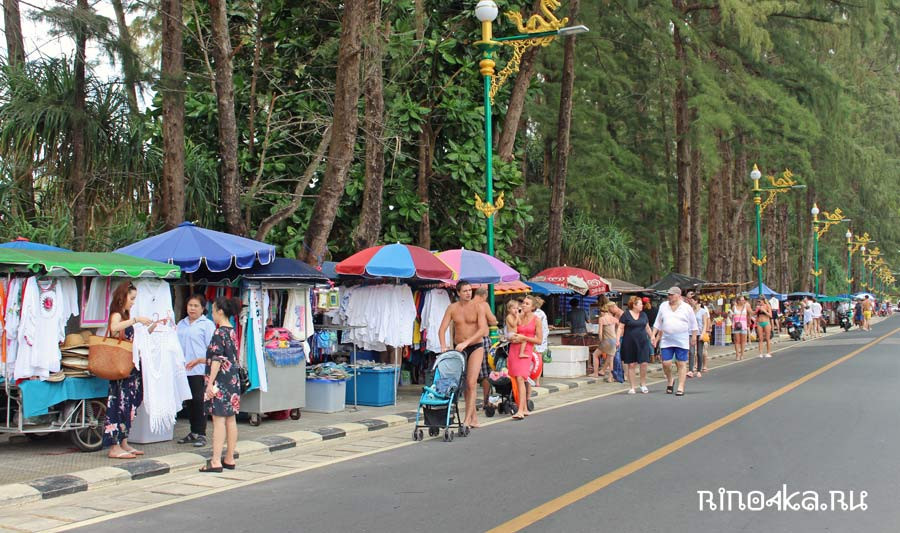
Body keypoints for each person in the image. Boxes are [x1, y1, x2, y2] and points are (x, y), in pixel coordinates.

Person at [104, 282, 155, 459]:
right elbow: (113, 328)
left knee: (130, 404)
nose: (133, 302)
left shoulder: (126, 315)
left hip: (131, 368)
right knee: (119, 404)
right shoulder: (117, 314)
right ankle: (114, 445)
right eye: (131, 298)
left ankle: (124, 441)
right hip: (121, 370)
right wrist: (136, 320)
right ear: (122, 297)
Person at [199, 297, 242, 473]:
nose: (212, 313)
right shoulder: (232, 332)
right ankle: (229, 458)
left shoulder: (218, 333)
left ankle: (215, 460)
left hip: (220, 382)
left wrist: (209, 384)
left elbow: (216, 360)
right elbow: (227, 357)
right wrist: (201, 361)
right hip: (232, 380)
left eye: (214, 309)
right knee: (231, 420)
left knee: (218, 422)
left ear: (220, 312)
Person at [438, 281, 488, 428]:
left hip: (475, 346)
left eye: (469, 290)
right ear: (458, 293)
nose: (468, 293)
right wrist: (443, 346)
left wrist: (467, 343)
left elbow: (482, 329)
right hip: (459, 349)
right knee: (465, 384)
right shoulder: (452, 308)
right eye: (465, 291)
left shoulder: (478, 307)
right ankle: (473, 418)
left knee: (472, 382)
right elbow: (442, 329)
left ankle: (467, 420)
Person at [176, 294, 216, 447]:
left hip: (199, 369)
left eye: (195, 306)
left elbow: (212, 349)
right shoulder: (181, 323)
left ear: (203, 308)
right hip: (183, 369)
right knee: (189, 401)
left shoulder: (207, 325)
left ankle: (202, 433)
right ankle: (193, 431)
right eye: (190, 305)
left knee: (200, 401)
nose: (192, 308)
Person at [652, 287, 698, 396]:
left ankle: (680, 386)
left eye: (672, 295)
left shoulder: (686, 307)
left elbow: (693, 324)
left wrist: (694, 337)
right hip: (667, 339)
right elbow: (658, 322)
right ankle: (670, 379)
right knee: (666, 363)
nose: (670, 297)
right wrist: (653, 335)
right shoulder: (663, 306)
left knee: (681, 363)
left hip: (681, 339)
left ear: (678, 295)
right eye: (669, 295)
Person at [507, 295, 542, 419]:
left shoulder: (537, 320)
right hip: (514, 348)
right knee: (516, 378)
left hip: (526, 350)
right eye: (523, 303)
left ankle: (520, 409)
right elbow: (511, 330)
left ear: (532, 307)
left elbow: (539, 340)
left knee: (521, 378)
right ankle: (524, 407)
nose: (523, 305)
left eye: (527, 304)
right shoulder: (518, 317)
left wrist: (524, 338)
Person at [618, 296, 653, 394]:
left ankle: (643, 383)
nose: (642, 305)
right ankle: (632, 386)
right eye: (640, 304)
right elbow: (620, 328)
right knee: (631, 364)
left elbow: (647, 327)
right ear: (634, 305)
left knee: (644, 363)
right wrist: (617, 339)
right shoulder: (626, 315)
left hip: (643, 342)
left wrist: (652, 337)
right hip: (629, 342)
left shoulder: (644, 315)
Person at [473, 287, 498, 411]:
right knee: (485, 374)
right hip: (482, 340)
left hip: (469, 341)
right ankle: (486, 401)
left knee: (471, 375)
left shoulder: (467, 305)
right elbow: (493, 321)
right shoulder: (483, 305)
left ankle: (471, 403)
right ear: (484, 295)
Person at [591, 304, 618, 382]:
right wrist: (616, 334)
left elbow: (600, 332)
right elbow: (620, 326)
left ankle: (596, 373)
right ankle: (610, 377)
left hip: (606, 340)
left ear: (603, 312)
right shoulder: (614, 319)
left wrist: (600, 340)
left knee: (595, 355)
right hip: (613, 340)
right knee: (611, 359)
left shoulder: (602, 319)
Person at [531, 297, 549, 387]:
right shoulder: (539, 313)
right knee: (536, 361)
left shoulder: (539, 314)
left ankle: (536, 380)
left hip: (538, 340)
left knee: (536, 361)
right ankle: (535, 380)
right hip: (537, 340)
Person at [689, 300, 710, 377]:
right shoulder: (690, 310)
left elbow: (705, 323)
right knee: (691, 352)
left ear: (697, 302)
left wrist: (703, 333)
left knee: (699, 352)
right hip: (691, 333)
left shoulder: (703, 311)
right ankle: (690, 370)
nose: (691, 302)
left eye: (692, 300)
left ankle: (698, 370)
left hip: (699, 333)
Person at [731, 295, 750, 361]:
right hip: (736, 325)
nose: (743, 301)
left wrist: (749, 322)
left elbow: (750, 313)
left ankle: (742, 354)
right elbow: (732, 316)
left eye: (743, 300)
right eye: (741, 300)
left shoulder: (746, 306)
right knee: (737, 341)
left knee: (743, 341)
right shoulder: (734, 307)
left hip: (744, 325)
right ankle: (737, 355)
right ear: (738, 301)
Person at [642, 297, 660, 363]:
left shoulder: (643, 310)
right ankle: (653, 356)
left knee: (647, 342)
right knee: (653, 341)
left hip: (646, 327)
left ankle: (651, 356)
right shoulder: (655, 309)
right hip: (655, 327)